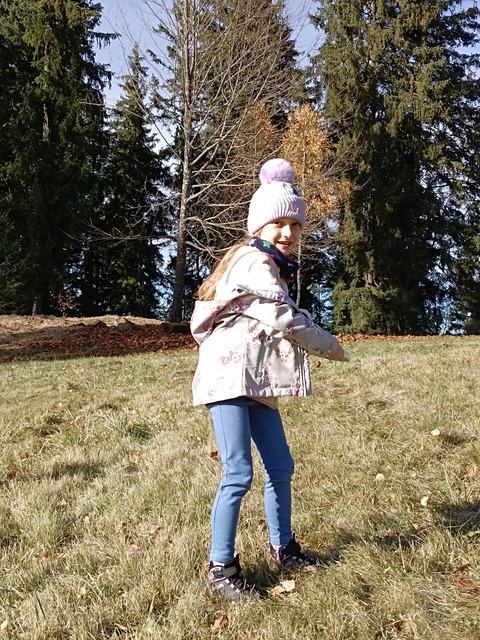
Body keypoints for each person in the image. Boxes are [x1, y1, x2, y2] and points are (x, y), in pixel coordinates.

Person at [190, 158, 350, 600]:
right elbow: (284, 318)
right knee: (238, 472)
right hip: (229, 381)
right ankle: (221, 568)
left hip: (255, 381)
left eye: (295, 225)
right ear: (259, 224)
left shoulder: (271, 266)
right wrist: (330, 346)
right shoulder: (254, 262)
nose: (288, 233)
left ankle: (284, 547)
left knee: (280, 465)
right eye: (279, 223)